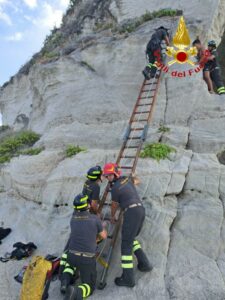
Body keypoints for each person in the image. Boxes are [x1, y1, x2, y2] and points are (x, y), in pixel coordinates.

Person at [103, 163, 151, 288]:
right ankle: (145, 264)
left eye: (108, 176)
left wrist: (113, 217)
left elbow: (114, 205)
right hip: (140, 210)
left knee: (125, 245)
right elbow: (137, 181)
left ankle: (128, 278)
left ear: (114, 174)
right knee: (131, 239)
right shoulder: (126, 179)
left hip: (131, 212)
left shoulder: (115, 189)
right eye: (106, 176)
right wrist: (134, 176)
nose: (107, 178)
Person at [60, 193, 107, 299]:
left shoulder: (73, 219)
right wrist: (102, 225)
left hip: (71, 255)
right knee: (89, 286)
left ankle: (64, 282)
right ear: (88, 205)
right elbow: (104, 236)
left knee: (69, 267)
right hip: (86, 258)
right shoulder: (95, 219)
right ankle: (76, 292)